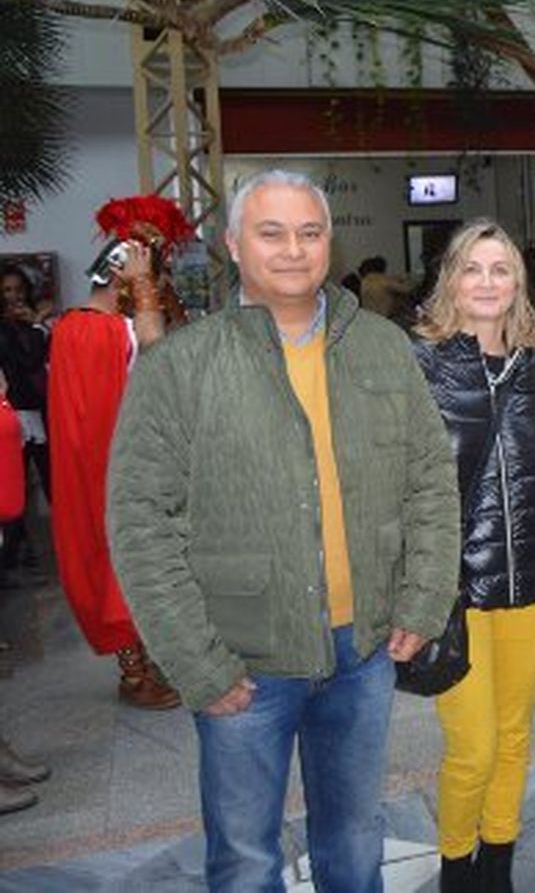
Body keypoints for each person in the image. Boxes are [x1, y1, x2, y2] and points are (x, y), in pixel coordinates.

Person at [107, 169, 461, 891]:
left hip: (362, 653)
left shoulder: (382, 349)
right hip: (242, 661)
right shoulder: (183, 365)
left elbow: (430, 480)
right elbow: (141, 520)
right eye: (271, 233)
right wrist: (195, 663)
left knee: (356, 840)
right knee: (244, 856)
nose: (293, 249)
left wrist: (424, 599)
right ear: (235, 245)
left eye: (309, 231)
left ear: (330, 241)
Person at [412, 221, 535, 892]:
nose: (486, 283)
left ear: (518, 284)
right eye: (472, 269)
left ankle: (497, 860)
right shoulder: (422, 362)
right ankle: (455, 867)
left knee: (514, 734)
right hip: (455, 589)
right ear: (450, 279)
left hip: (531, 577)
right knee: (471, 749)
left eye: (500, 270)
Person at [48, 203, 181, 709]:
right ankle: (134, 676)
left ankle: (148, 664)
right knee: (117, 566)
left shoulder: (75, 326)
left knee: (130, 565)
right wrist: (147, 288)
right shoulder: (98, 330)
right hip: (112, 472)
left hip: (116, 467)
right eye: (150, 271)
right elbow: (158, 352)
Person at [0, 264, 50, 590]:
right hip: (13, 414)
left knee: (49, 480)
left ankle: (34, 547)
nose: (14, 296)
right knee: (14, 486)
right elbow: (27, 360)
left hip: (37, 411)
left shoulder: (29, 326)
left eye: (18, 290)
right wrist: (36, 327)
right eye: (7, 291)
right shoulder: (5, 330)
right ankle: (12, 556)